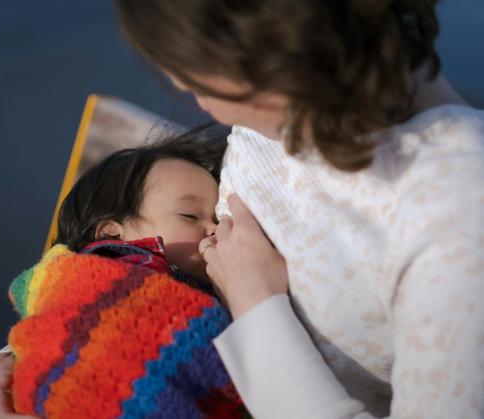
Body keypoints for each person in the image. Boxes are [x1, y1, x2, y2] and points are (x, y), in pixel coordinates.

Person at [108, 1, 484, 418]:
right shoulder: (273, 122)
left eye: (192, 66)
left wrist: (256, 305)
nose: (179, 82)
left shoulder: (459, 212)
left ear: (274, 44)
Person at [0, 128, 248, 418]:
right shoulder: (93, 282)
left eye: (218, 217)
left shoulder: (223, 284)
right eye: (189, 215)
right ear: (113, 234)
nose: (215, 229)